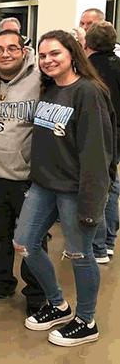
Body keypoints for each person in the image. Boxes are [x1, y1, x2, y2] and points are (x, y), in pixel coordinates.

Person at [14, 29, 116, 347]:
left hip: (75, 190)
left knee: (80, 254)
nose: (47, 60)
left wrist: (91, 206)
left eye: (55, 53)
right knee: (25, 244)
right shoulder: (49, 89)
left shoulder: (89, 92)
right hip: (44, 186)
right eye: (43, 55)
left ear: (73, 53)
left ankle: (86, 321)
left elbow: (98, 155)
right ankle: (58, 305)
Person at [0, 29, 47, 316]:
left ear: (23, 51)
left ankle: (37, 292)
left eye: (12, 49)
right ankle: (1, 283)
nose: (5, 54)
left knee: (31, 239)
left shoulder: (41, 79)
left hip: (29, 176)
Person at [84, 21, 120, 261]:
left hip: (95, 133)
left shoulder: (87, 70)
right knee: (112, 184)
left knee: (93, 187)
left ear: (88, 43)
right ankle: (108, 241)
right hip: (117, 132)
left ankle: (96, 246)